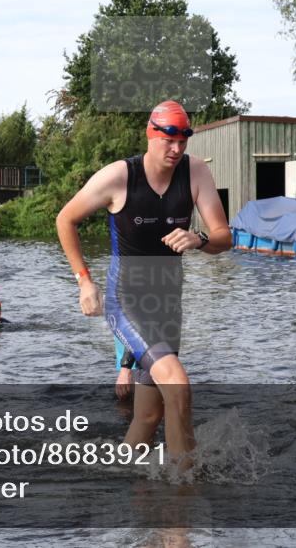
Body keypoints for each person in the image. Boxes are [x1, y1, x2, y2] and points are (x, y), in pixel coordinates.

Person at [55, 100, 231, 462]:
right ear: (151, 135)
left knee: (150, 415)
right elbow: (65, 219)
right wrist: (84, 282)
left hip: (168, 306)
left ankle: (119, 479)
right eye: (169, 139)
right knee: (179, 387)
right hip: (128, 301)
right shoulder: (119, 177)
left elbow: (223, 237)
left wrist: (198, 239)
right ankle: (184, 494)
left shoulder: (195, 172)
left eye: (184, 140)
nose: (177, 149)